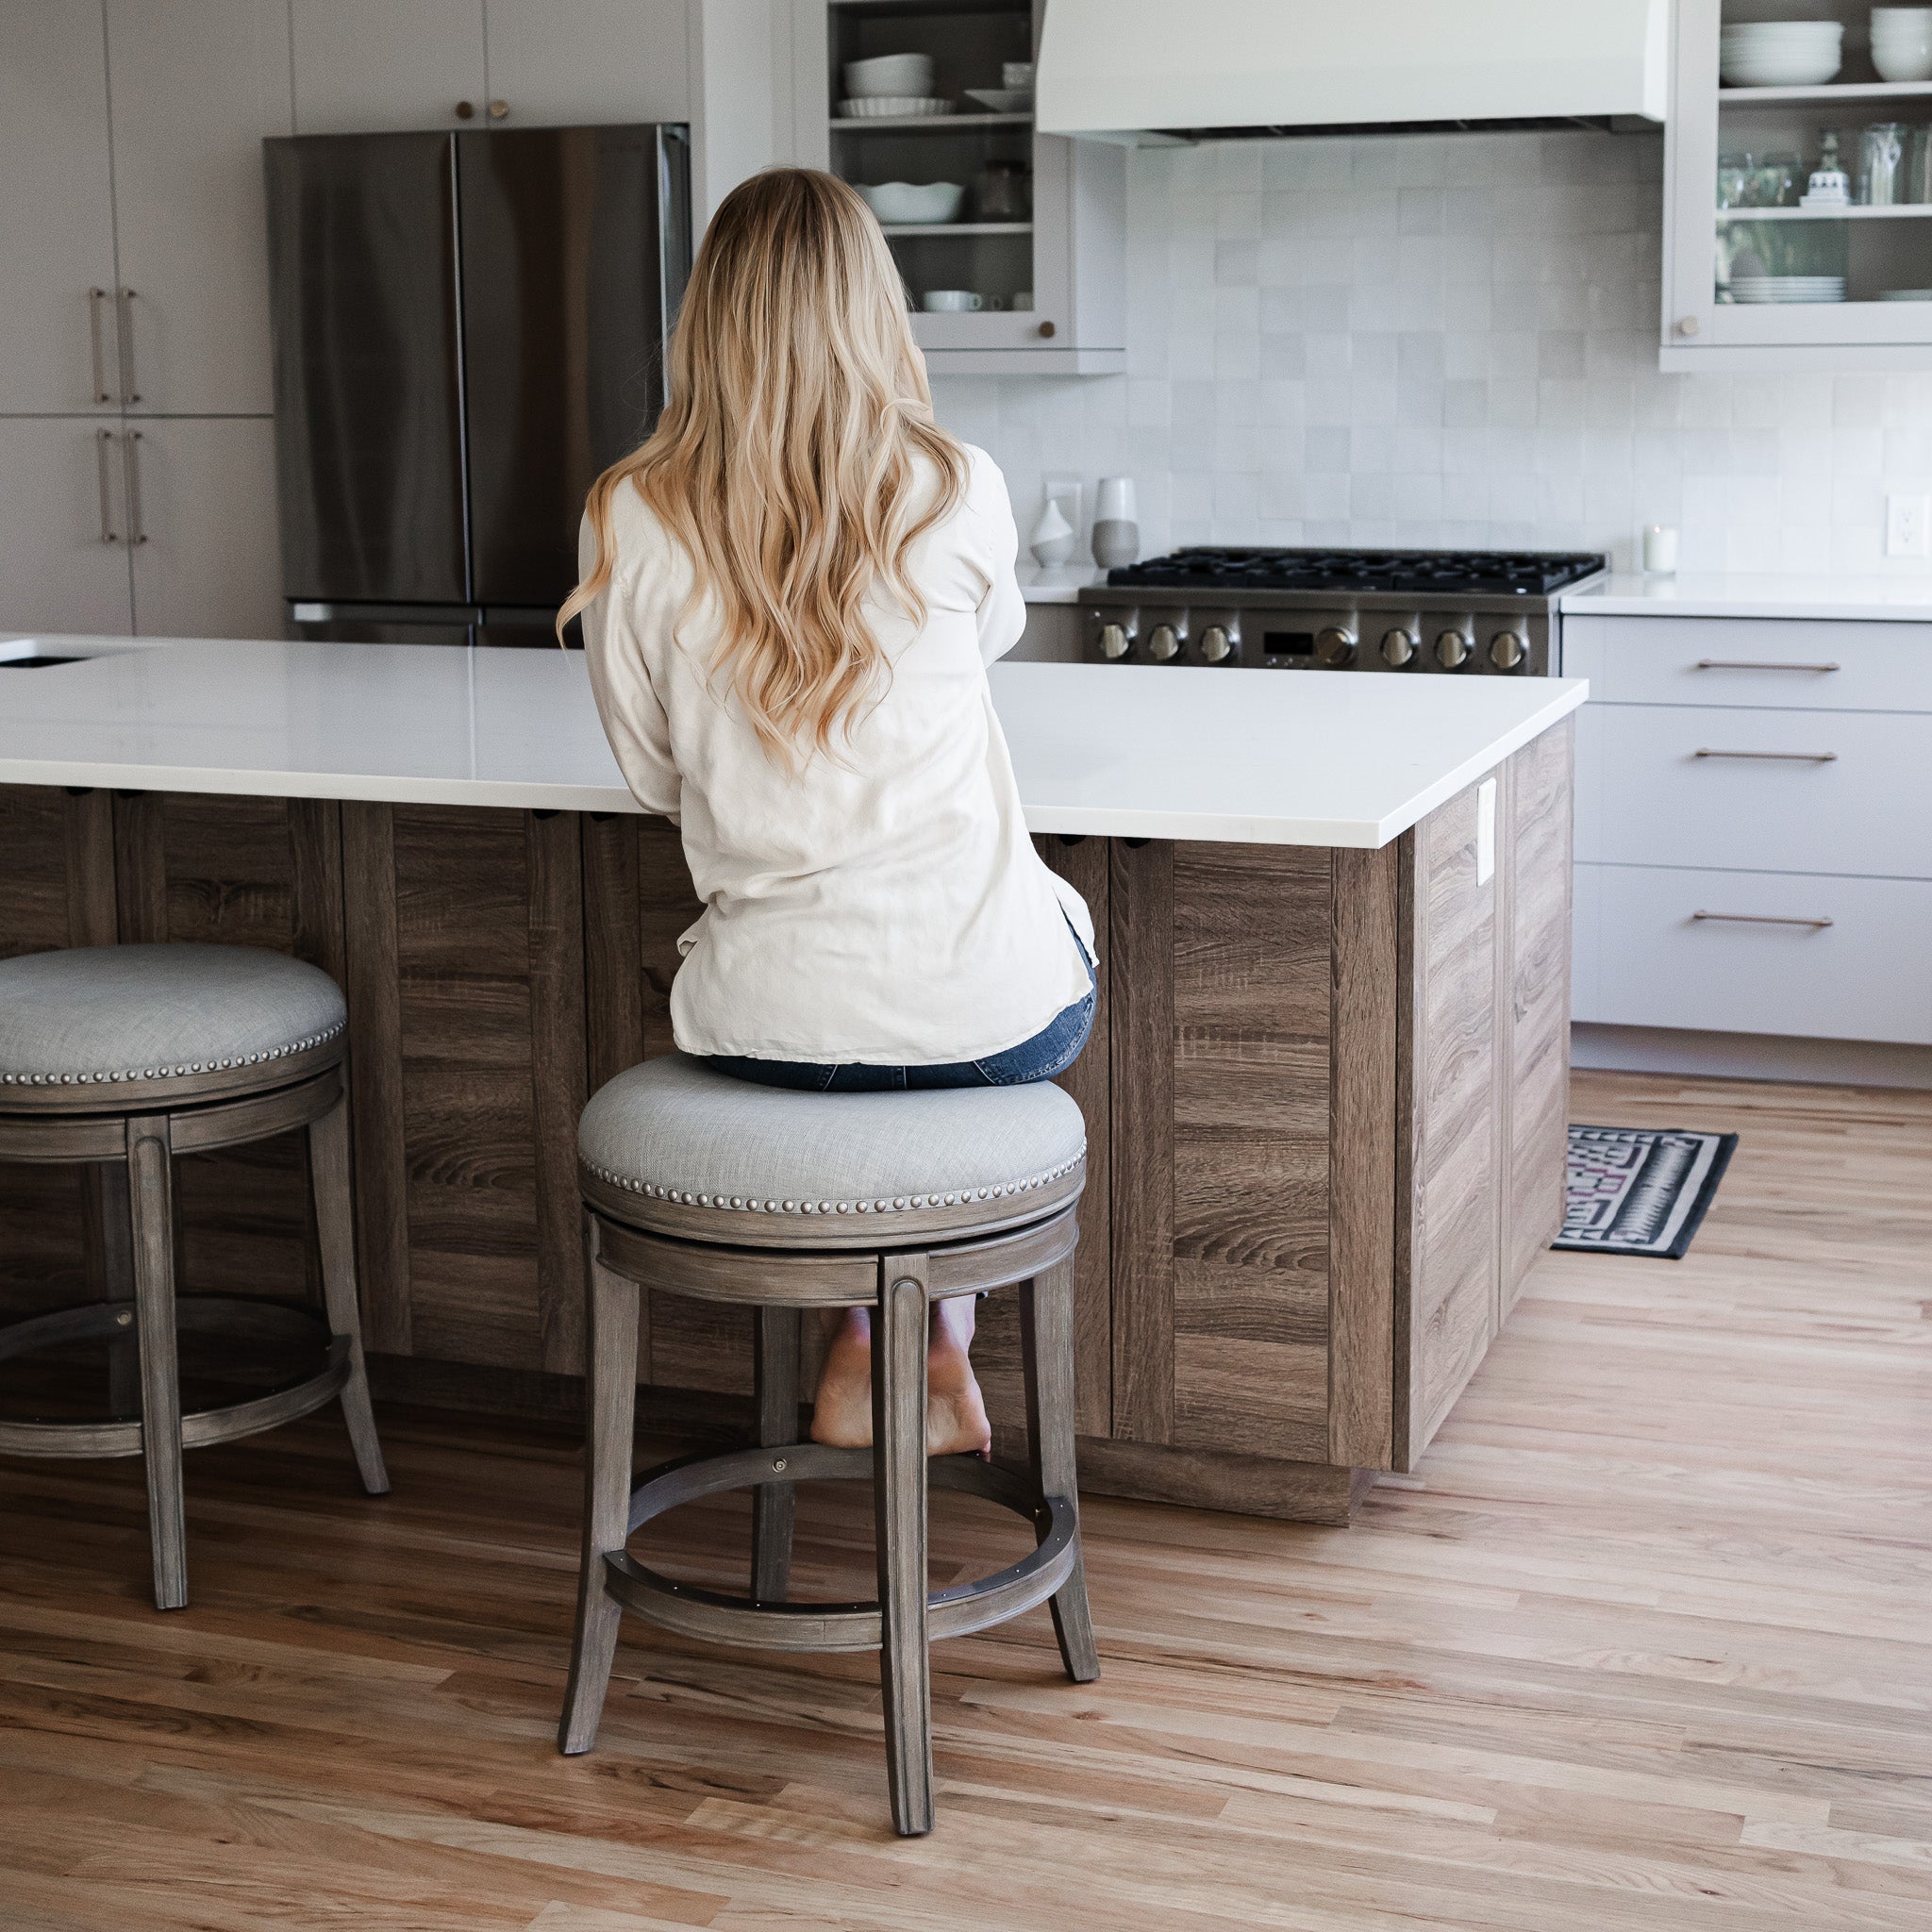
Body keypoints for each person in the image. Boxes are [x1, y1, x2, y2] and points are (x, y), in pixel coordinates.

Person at [561, 167, 1094, 1458]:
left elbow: (651, 775)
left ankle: (870, 1331)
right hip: (990, 1023)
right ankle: (926, 1330)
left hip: (762, 1031)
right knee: (1058, 932)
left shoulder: (633, 510)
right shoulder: (956, 484)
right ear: (876, 307)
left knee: (871, 1025)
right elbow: (996, 637)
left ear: (708, 314)